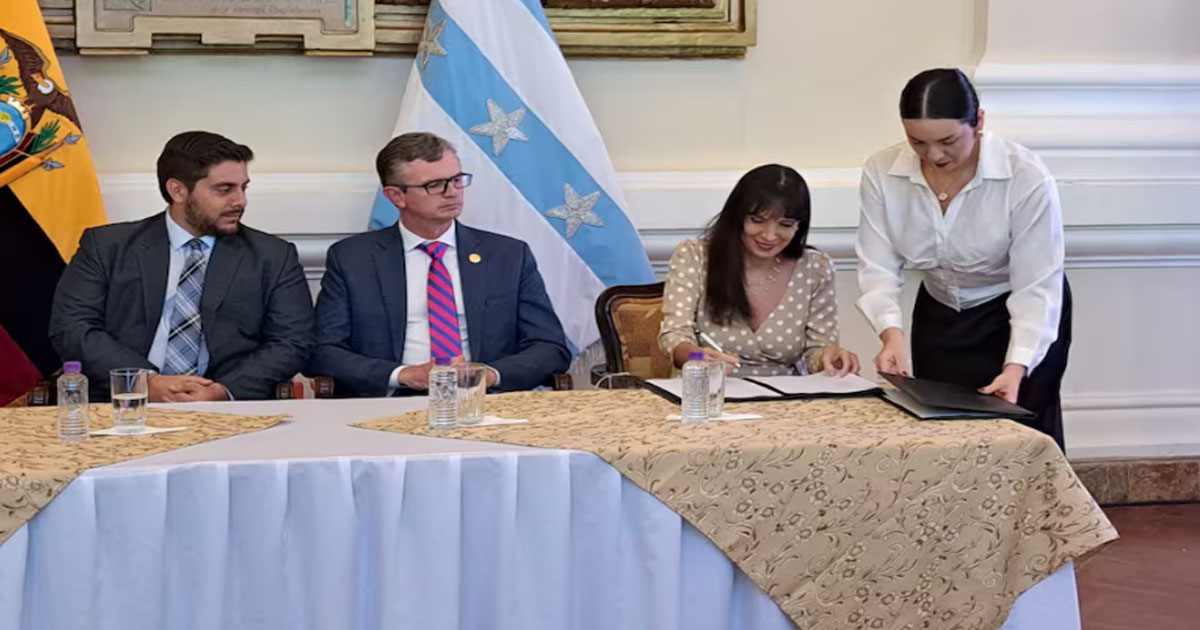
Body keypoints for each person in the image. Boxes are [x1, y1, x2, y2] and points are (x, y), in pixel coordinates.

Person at [855, 68, 1071, 448]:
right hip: (941, 314)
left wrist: (1016, 365)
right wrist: (891, 336)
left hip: (1017, 313)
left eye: (948, 141)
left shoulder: (1025, 176)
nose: (933, 155)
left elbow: (1036, 286)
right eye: (917, 142)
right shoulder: (882, 172)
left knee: (1021, 437)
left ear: (979, 122)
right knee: (944, 438)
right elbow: (878, 267)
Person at [49, 131, 314, 401]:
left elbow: (292, 341)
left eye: (243, 188)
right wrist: (144, 383)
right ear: (177, 190)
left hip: (228, 408)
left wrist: (222, 392)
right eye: (224, 190)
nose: (240, 201)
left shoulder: (272, 256)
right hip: (127, 404)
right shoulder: (107, 247)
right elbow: (72, 326)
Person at [308, 132, 571, 397]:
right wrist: (403, 375)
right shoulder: (353, 259)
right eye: (435, 185)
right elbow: (323, 351)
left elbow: (550, 348)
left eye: (456, 180)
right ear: (396, 196)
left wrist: (487, 374)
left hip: (483, 401)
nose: (452, 192)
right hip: (391, 401)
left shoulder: (508, 256)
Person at [658, 164, 859, 378]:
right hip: (708, 388)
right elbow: (674, 337)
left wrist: (830, 357)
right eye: (757, 221)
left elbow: (816, 353)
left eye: (785, 224)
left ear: (799, 226)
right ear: (737, 217)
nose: (769, 236)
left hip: (787, 393)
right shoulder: (695, 256)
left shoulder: (815, 267)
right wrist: (697, 356)